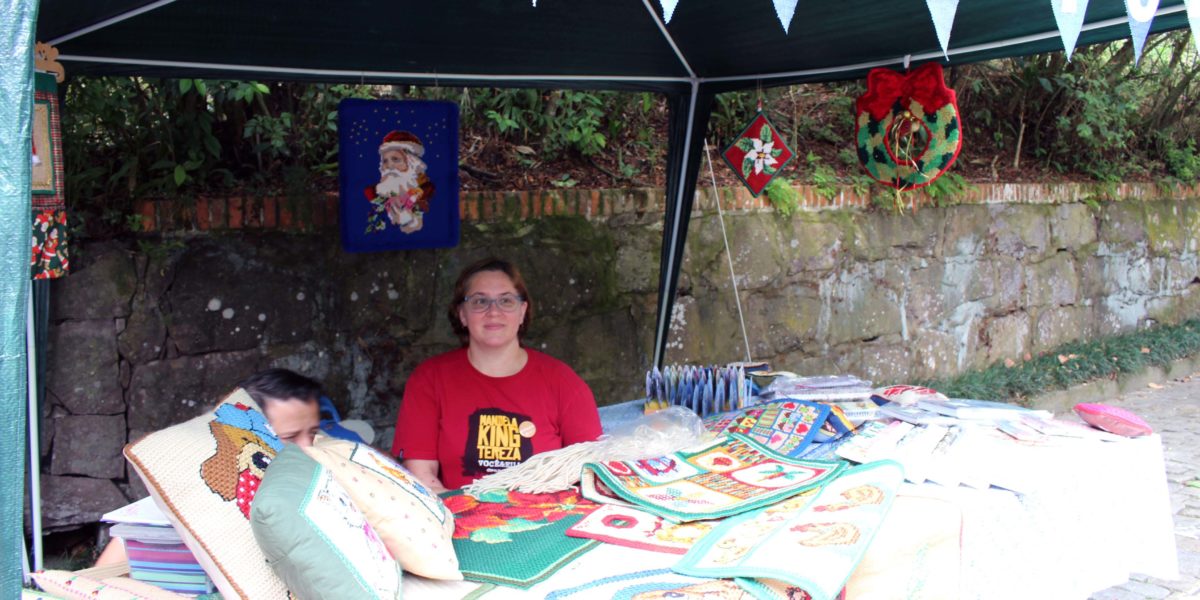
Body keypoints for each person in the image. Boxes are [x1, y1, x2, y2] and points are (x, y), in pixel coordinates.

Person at [391, 258, 603, 492]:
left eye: (506, 301)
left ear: (522, 312)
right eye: (480, 301)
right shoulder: (429, 379)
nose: (493, 312)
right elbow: (421, 475)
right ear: (462, 314)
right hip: (455, 512)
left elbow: (592, 475)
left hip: (546, 513)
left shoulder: (564, 382)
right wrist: (463, 512)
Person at [94, 367, 324, 567]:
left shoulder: (318, 485)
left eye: (313, 433)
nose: (307, 447)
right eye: (290, 437)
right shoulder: (193, 497)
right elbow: (101, 578)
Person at [363, 130, 435, 234]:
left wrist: (409, 198)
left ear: (411, 162)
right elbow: (369, 192)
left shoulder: (423, 188)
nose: (389, 165)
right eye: (385, 161)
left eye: (395, 159)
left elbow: (427, 191)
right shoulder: (380, 189)